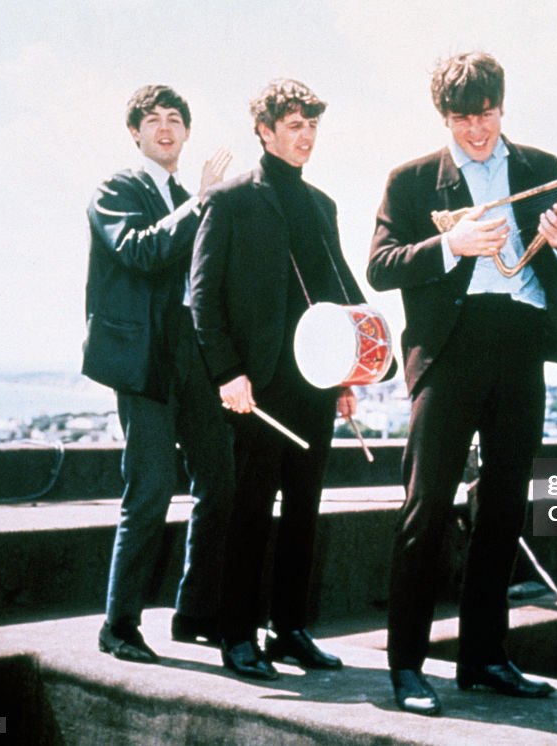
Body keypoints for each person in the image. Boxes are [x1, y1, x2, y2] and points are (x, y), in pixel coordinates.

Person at [368, 51, 557, 716]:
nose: (477, 131)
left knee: (504, 507)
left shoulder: (542, 170)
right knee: (426, 505)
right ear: (443, 117)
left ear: (502, 106)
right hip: (448, 350)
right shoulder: (409, 182)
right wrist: (450, 246)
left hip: (521, 342)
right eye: (462, 120)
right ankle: (406, 666)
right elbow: (379, 267)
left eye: (486, 115)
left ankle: (485, 657)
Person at [191, 79, 375, 681]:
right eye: (294, 126)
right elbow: (202, 298)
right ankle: (237, 634)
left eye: (312, 126)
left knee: (304, 510)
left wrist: (349, 373)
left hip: (315, 384)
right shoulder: (230, 199)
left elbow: (337, 290)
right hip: (258, 388)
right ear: (265, 132)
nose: (306, 137)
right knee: (249, 512)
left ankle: (291, 629)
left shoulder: (322, 204)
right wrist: (228, 373)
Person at [83, 84, 234, 663]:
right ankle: (118, 626)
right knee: (148, 492)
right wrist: (200, 202)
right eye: (154, 120)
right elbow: (141, 252)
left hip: (194, 361)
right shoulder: (116, 189)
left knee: (220, 483)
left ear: (187, 132)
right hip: (145, 365)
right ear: (136, 133)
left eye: (176, 119)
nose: (166, 128)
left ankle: (195, 613)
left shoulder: (198, 198)